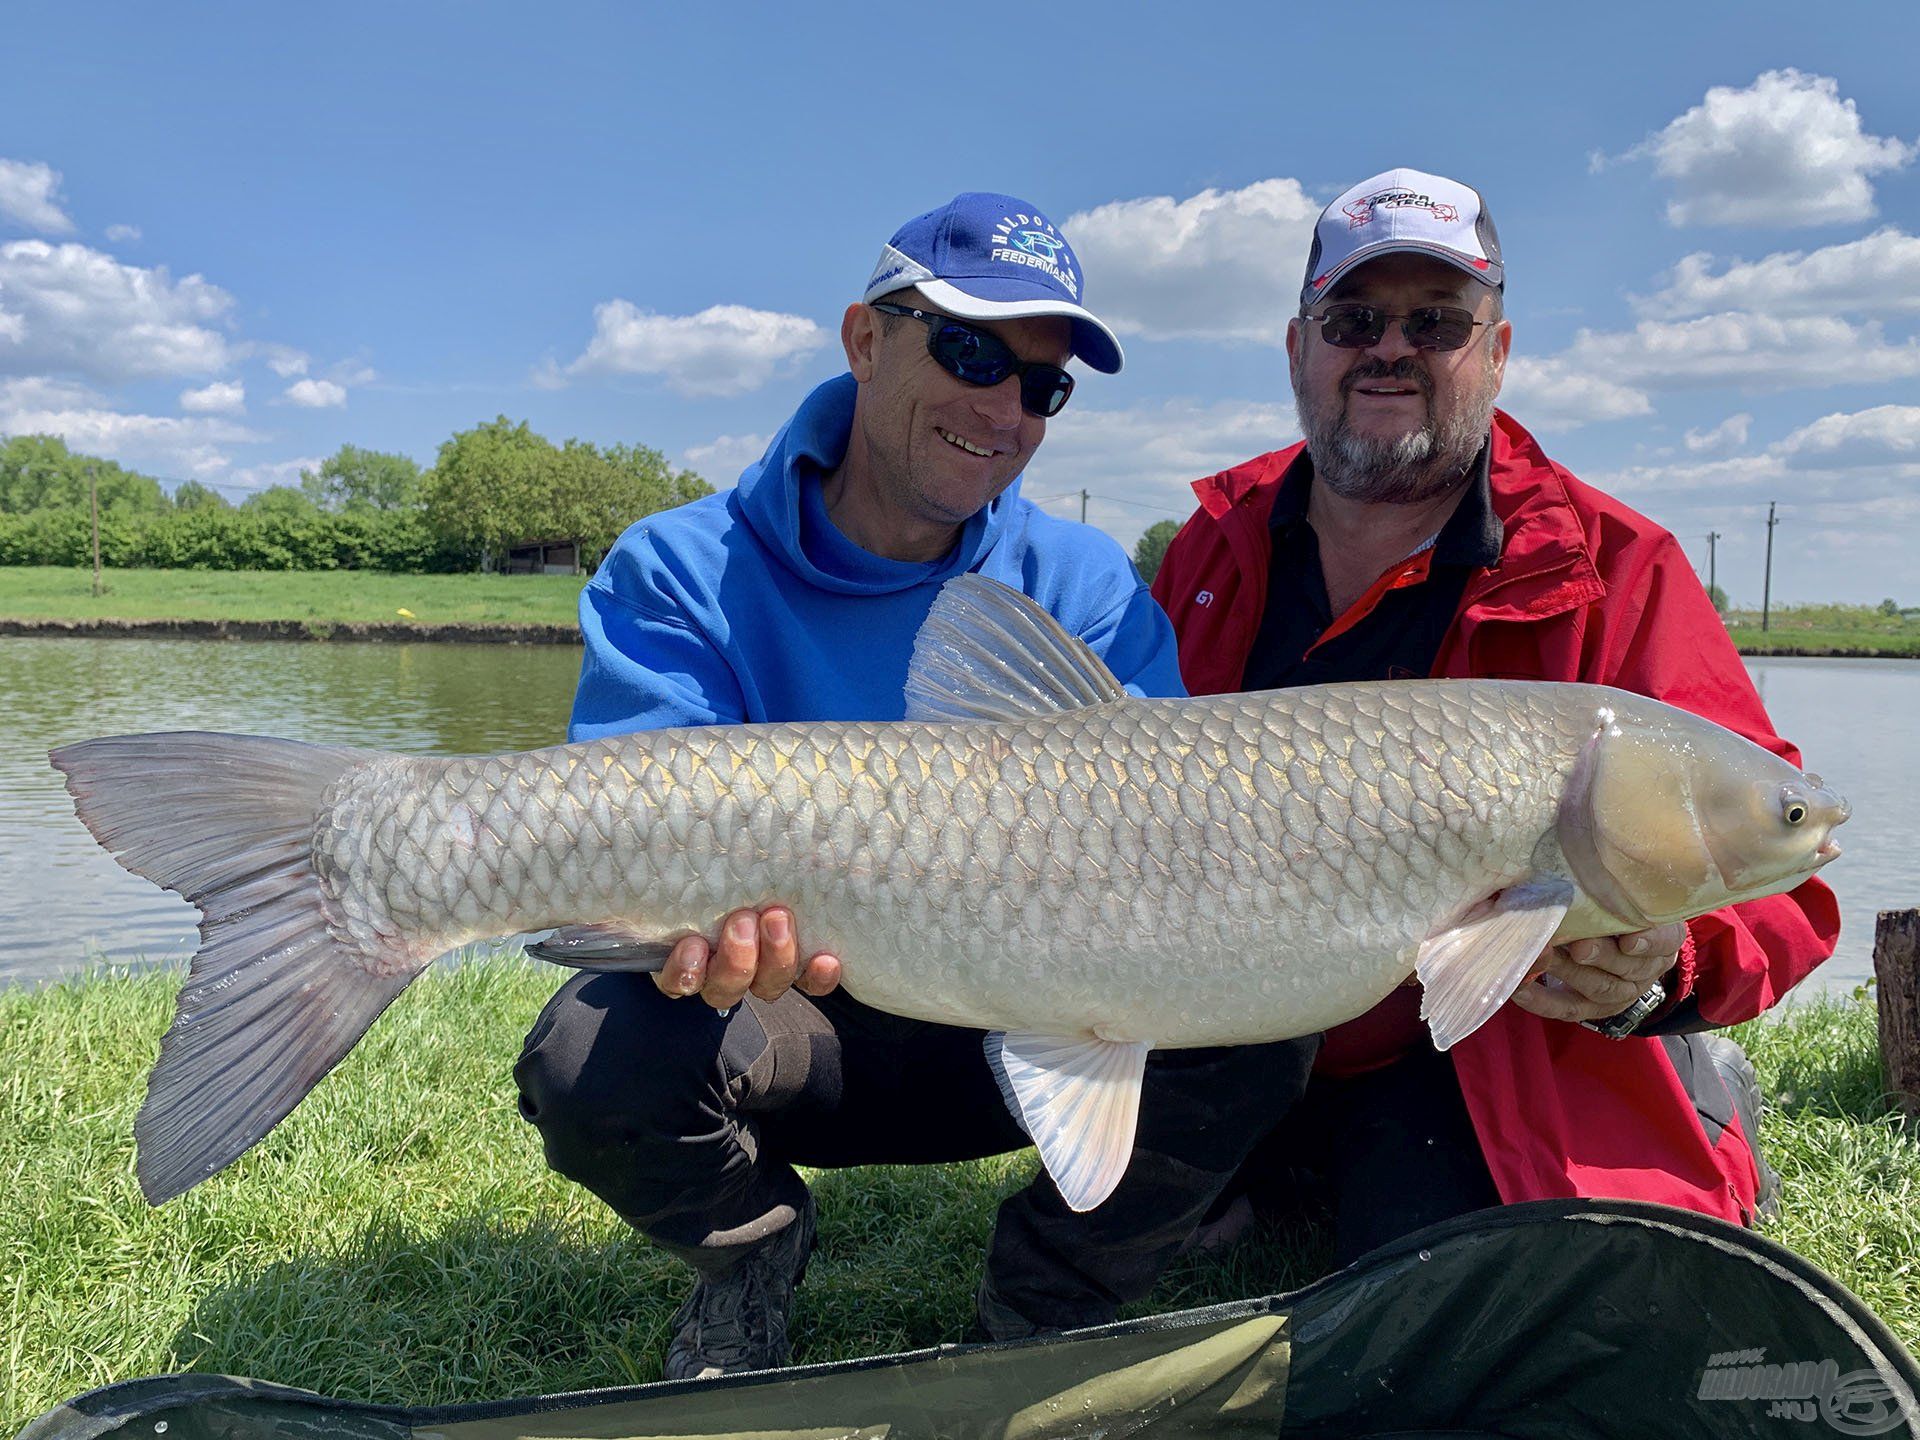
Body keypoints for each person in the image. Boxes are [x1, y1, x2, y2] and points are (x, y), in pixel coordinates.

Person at [512, 193, 1319, 1379]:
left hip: (1025, 1003)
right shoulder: (682, 568)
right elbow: (636, 832)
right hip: (794, 1020)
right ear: (863, 338)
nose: (1004, 410)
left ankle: (1053, 1299)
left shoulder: (1082, 581)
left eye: (1041, 386)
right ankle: (750, 1250)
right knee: (589, 1054)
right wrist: (701, 928)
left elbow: (1168, 842)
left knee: (1262, 1008)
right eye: (972, 352)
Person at [1151, 167, 1841, 1264]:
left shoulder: (1618, 568)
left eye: (1437, 322)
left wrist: (1666, 969)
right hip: (1239, 1026)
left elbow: (1782, 878)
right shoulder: (1211, 549)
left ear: (1499, 353)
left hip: (1481, 1052)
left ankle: (1695, 1093)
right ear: (1298, 349)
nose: (1391, 348)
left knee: (1463, 1291)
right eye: (1354, 318)